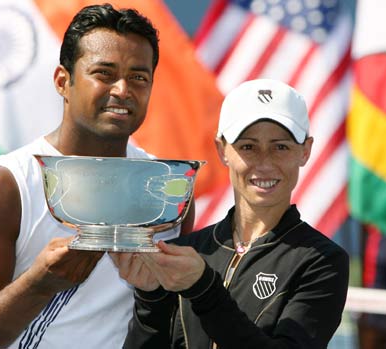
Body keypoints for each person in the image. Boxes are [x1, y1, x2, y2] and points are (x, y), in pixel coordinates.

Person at [0, 4, 194, 349]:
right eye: (104, 73)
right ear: (63, 81)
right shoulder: (3, 187)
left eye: (138, 77)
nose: (122, 89)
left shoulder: (168, 191)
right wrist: (39, 284)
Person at [112, 78, 350, 349]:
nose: (264, 162)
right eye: (248, 146)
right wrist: (149, 298)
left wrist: (202, 288)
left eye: (280, 146)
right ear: (222, 150)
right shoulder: (187, 251)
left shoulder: (323, 261)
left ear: (305, 151)